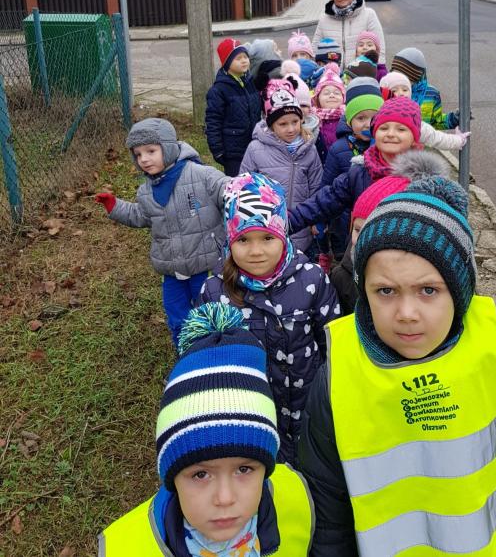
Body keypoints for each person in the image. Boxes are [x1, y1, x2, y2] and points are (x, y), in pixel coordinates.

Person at [299, 169, 496, 557]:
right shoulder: (338, 375)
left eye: (428, 290)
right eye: (385, 291)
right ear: (364, 291)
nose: (406, 313)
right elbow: (328, 516)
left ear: (460, 291)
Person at [100, 302, 314, 554]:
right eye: (200, 474)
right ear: (171, 477)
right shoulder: (124, 547)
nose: (225, 498)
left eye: (244, 469)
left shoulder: (297, 502)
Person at [199, 173, 340, 466]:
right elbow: (202, 358)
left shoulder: (312, 279)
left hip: (308, 406)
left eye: (267, 238)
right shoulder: (215, 291)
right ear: (229, 240)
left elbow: (333, 344)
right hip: (250, 412)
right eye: (243, 239)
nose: (256, 251)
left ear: (283, 234)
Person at [95, 118, 227, 346]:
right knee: (177, 315)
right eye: (138, 154)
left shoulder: (201, 175)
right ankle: (185, 350)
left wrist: (246, 191)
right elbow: (142, 215)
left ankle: (213, 350)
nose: (144, 159)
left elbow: (228, 189)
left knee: (209, 311)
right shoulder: (146, 191)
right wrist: (115, 207)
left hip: (205, 265)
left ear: (168, 147)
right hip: (171, 269)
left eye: (151, 151)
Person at [288, 97, 424, 238]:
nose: (390, 134)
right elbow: (325, 201)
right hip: (359, 243)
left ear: (414, 137)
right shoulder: (360, 172)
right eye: (383, 128)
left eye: (401, 129)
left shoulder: (423, 180)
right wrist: (287, 222)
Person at [330, 150, 445, 315]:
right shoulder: (342, 277)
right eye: (357, 230)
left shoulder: (436, 275)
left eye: (373, 230)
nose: (363, 238)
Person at [239, 79, 323, 254]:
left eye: (295, 121)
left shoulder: (309, 149)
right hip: (266, 227)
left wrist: (316, 219)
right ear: (271, 125)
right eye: (283, 124)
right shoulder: (255, 149)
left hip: (301, 228)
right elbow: (243, 187)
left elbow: (316, 186)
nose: (291, 129)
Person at [321, 77, 384, 260]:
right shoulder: (339, 149)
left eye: (374, 118)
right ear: (349, 122)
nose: (368, 124)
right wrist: (321, 221)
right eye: (360, 118)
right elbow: (327, 186)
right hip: (345, 226)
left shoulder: (388, 147)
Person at [205, 37, 262, 176]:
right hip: (233, 151)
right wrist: (217, 149)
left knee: (256, 181)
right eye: (238, 58)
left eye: (245, 57)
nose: (244, 61)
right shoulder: (219, 90)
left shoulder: (250, 82)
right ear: (227, 62)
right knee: (238, 183)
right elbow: (213, 121)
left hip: (254, 145)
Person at [312, 0, 386, 65]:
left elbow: (380, 48)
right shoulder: (324, 19)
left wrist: (380, 69)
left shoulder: (369, 15)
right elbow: (314, 50)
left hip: (361, 72)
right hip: (332, 73)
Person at [391, 47, 460, 130]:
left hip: (423, 137)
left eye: (401, 75)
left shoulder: (431, 94)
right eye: (394, 73)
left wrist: (454, 119)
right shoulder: (388, 90)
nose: (395, 78)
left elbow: (436, 122)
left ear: (414, 76)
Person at [312, 63, 346, 156]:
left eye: (337, 93)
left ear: (343, 98)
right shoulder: (313, 121)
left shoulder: (348, 119)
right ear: (317, 98)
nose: (331, 95)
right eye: (326, 93)